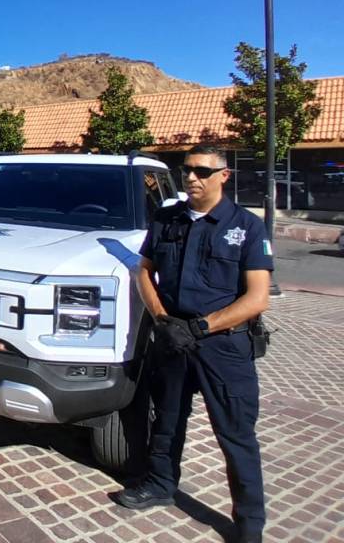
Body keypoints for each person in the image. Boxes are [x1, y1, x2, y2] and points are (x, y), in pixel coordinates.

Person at [116, 145, 271, 543]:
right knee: (166, 420)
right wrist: (162, 319)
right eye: (187, 170)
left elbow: (257, 299)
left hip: (224, 346)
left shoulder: (246, 227)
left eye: (202, 171)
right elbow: (144, 271)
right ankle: (161, 484)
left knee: (235, 434)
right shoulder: (167, 219)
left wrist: (201, 328)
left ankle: (249, 523)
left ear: (224, 176)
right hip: (172, 338)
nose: (191, 178)